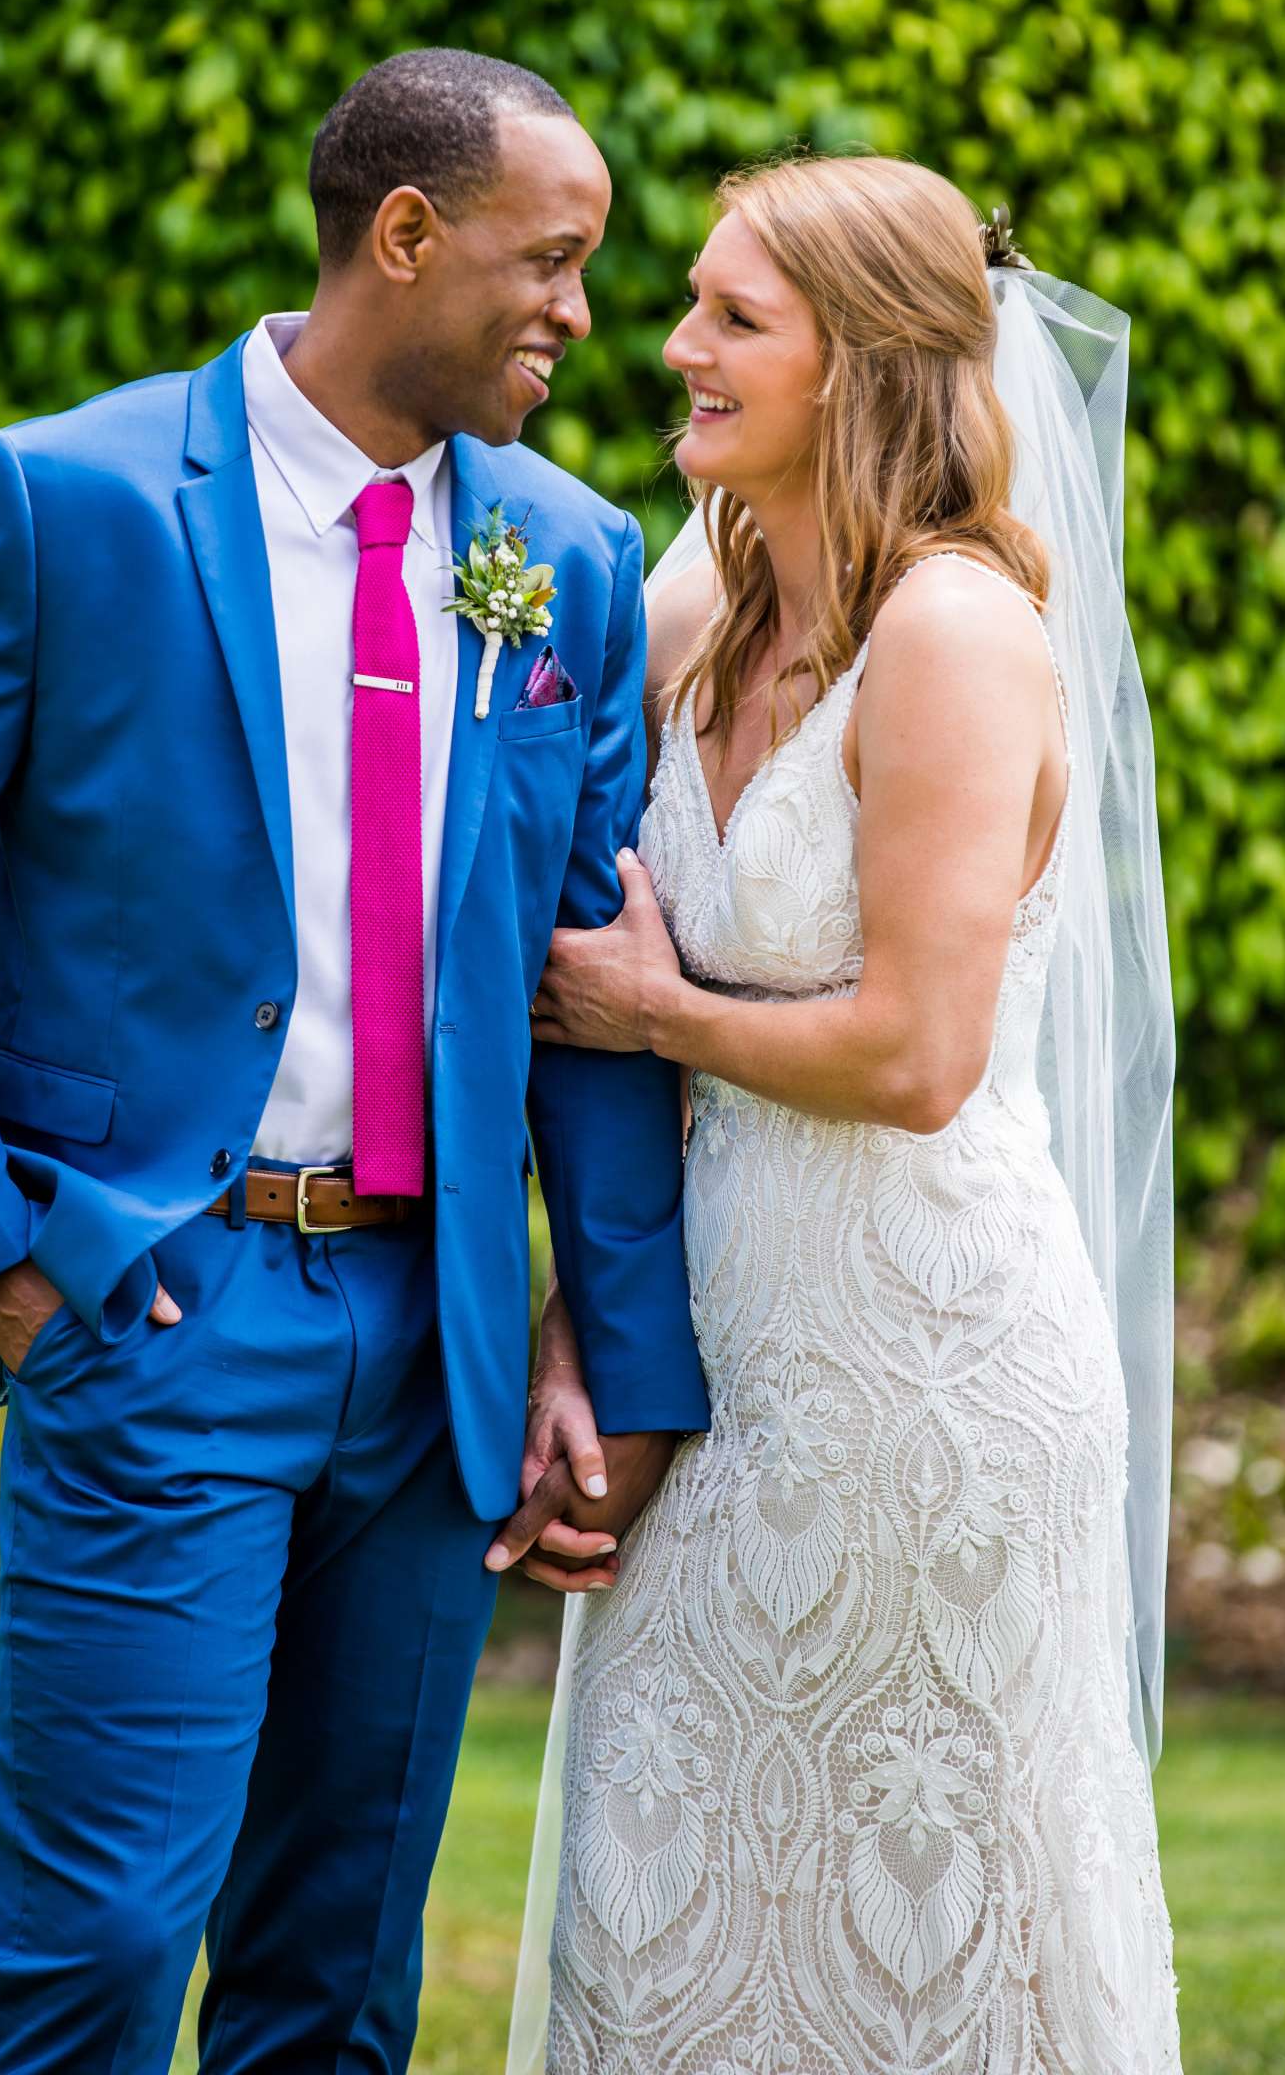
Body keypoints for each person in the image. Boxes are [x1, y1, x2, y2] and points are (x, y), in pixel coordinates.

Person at [0, 47, 708, 2075]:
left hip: (431, 1344)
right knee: (96, 1948)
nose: (576, 315)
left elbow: (589, 988)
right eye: (549, 265)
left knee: (337, 1981)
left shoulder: (567, 558)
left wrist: (605, 1358)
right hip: (152, 1305)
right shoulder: (66, 498)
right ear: (404, 235)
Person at [494, 156, 1182, 2074]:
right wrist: (585, 1316)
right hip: (716, 1349)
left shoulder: (955, 633)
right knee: (673, 1909)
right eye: (694, 301)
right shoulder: (695, 593)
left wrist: (657, 1006)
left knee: (925, 1939)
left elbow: (917, 1052)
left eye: (733, 317)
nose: (676, 344)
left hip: (929, 1372)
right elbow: (563, 910)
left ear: (865, 363)